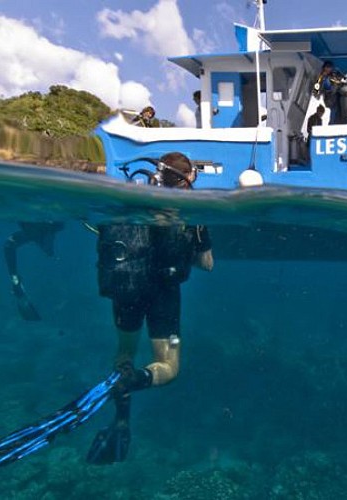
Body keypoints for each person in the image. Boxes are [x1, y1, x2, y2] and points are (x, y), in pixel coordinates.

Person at [87, 152, 214, 464]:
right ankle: (131, 382)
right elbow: (207, 264)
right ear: (190, 178)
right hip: (163, 294)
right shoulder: (191, 214)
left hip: (126, 289)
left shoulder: (132, 203)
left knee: (124, 353)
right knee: (168, 368)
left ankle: (121, 418)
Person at [4, 221, 64, 320]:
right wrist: (15, 280)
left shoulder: (51, 228)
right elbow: (9, 245)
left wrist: (15, 280)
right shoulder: (39, 231)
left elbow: (9, 245)